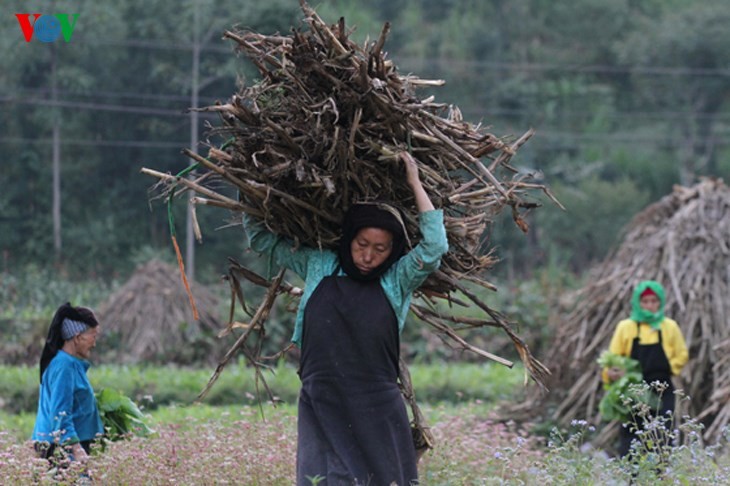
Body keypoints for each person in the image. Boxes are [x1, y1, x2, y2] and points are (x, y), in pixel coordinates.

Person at [243, 152, 448, 485]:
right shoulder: (320, 264)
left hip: (376, 406)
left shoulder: (397, 279)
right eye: (362, 244)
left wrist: (414, 181)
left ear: (392, 251)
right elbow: (261, 239)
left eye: (380, 249)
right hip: (323, 400)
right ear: (349, 239)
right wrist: (251, 182)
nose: (368, 256)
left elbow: (435, 247)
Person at [603, 280, 689, 457]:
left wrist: (670, 368)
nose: (650, 306)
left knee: (663, 433)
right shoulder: (626, 327)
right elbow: (613, 358)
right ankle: (633, 478)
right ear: (637, 303)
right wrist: (613, 373)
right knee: (631, 434)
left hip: (662, 389)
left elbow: (682, 354)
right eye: (645, 301)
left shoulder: (669, 327)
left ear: (660, 302)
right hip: (632, 390)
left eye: (654, 301)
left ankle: (659, 478)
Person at [32, 303, 104, 464]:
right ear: (78, 337)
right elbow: (60, 413)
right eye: (93, 336)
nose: (94, 343)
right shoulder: (64, 366)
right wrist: (77, 450)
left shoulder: (66, 363)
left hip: (62, 444)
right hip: (62, 448)